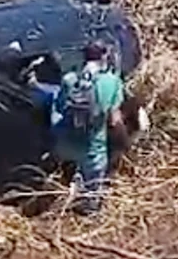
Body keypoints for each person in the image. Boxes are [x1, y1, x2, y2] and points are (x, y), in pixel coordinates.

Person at [51, 40, 127, 216]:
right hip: (92, 151)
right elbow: (114, 120)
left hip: (62, 146)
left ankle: (66, 175)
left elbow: (60, 108)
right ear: (105, 56)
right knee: (96, 166)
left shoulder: (69, 79)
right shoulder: (112, 81)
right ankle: (89, 204)